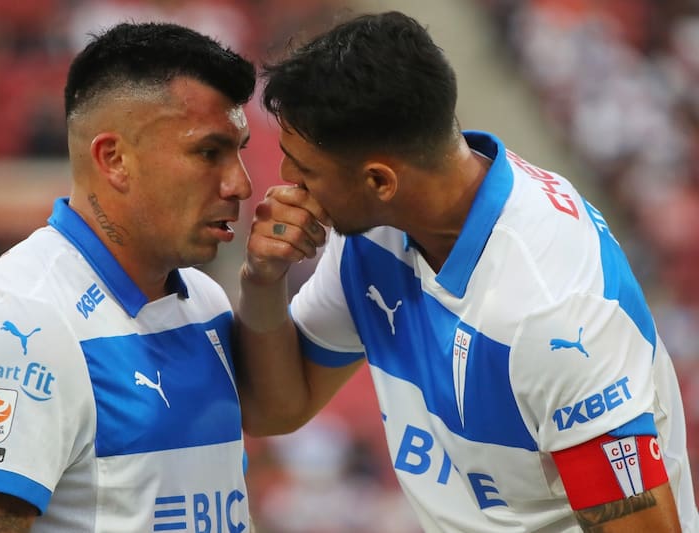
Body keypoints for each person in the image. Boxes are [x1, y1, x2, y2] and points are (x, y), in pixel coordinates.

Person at [234, 10, 699, 532]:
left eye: (305, 167)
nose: (287, 182)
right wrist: (262, 281)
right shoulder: (376, 236)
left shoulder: (550, 309)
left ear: (380, 181)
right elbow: (276, 410)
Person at [0, 22, 255, 532]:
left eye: (239, 150)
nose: (241, 182)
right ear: (115, 160)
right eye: (208, 152)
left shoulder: (205, 301)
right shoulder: (27, 324)